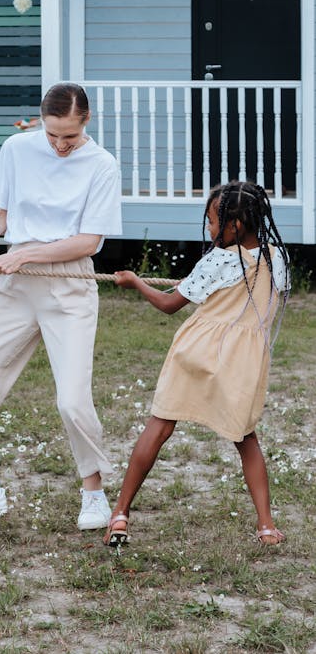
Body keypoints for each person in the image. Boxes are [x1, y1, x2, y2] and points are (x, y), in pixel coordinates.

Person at [0, 82, 122, 527]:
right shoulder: (17, 148)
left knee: (72, 401)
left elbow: (90, 240)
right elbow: (1, 218)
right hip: (17, 289)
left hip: (69, 285)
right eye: (52, 134)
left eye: (69, 137)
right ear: (41, 120)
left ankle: (93, 493)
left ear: (85, 122)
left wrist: (26, 253)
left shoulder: (102, 164)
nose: (59, 145)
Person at [105, 180, 290, 549]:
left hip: (198, 352)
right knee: (246, 438)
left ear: (234, 226)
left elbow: (169, 304)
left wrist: (136, 282)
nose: (208, 229)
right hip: (242, 362)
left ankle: (120, 513)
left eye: (211, 221)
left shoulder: (219, 260)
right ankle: (266, 525)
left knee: (159, 426)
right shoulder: (277, 258)